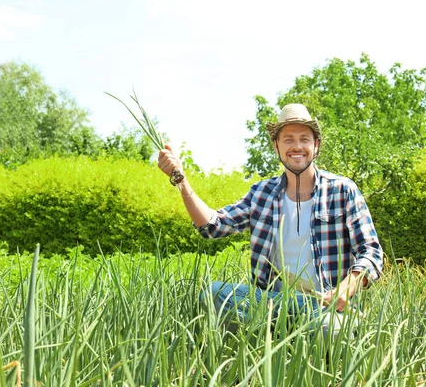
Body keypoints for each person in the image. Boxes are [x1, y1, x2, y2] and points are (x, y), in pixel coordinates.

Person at [158, 103, 384, 332]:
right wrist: (181, 180)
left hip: (324, 305)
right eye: (288, 139)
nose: (297, 146)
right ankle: (273, 339)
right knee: (215, 294)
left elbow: (372, 252)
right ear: (276, 146)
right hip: (272, 303)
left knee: (329, 330)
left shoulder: (342, 190)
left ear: (316, 146)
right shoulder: (261, 194)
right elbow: (213, 226)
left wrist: (348, 287)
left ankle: (285, 336)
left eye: (304, 139)